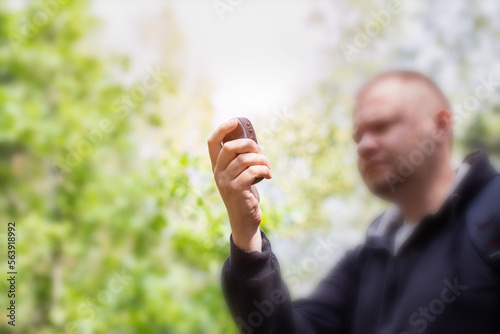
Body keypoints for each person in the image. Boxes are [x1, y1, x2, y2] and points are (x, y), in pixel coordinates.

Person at [207, 70, 500, 334]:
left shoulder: (492, 209)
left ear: (440, 125)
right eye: (358, 137)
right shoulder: (366, 259)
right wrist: (247, 235)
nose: (365, 146)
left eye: (382, 126)